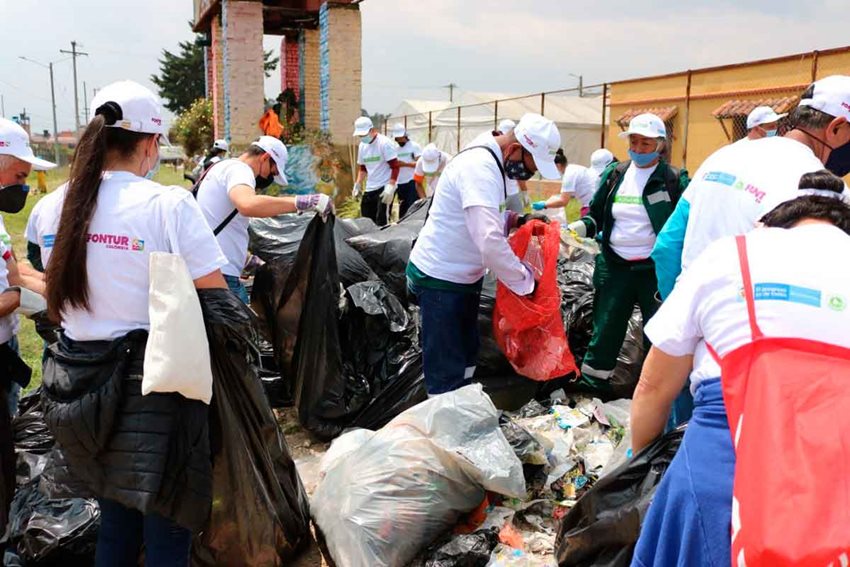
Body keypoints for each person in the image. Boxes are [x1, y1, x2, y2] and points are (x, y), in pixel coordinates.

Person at [40, 80, 226, 566]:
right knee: (167, 530)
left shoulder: (53, 206)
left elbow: (56, 297)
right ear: (149, 143)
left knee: (116, 526)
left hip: (79, 392)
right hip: (155, 394)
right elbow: (216, 298)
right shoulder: (168, 205)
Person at [630, 173, 850, 566]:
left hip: (719, 476)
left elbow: (653, 386)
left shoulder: (731, 254)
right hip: (836, 497)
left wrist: (643, 466)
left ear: (771, 220)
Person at [652, 75, 850, 301]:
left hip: (693, 308)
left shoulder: (722, 156)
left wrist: (676, 305)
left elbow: (667, 245)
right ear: (836, 128)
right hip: (757, 317)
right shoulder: (826, 191)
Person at [407, 113, 561, 395]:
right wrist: (525, 281)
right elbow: (489, 240)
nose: (529, 175)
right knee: (446, 363)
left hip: (465, 276)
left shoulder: (495, 161)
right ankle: (444, 415)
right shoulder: (479, 168)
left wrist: (518, 220)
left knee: (467, 352)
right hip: (441, 278)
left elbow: (488, 215)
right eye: (530, 167)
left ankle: (462, 401)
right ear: (514, 149)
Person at [567, 113, 689, 386]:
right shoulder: (616, 174)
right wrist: (578, 228)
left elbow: (686, 223)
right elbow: (596, 215)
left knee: (658, 332)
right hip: (614, 267)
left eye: (646, 143)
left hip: (654, 271)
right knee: (605, 330)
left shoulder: (673, 179)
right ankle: (593, 389)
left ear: (660, 145)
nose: (638, 149)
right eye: (634, 142)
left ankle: (652, 391)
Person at [195, 135, 332, 303]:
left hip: (209, 268)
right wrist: (300, 202)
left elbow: (218, 219)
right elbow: (248, 204)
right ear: (265, 157)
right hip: (221, 274)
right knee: (242, 319)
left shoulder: (221, 167)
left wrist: (246, 259)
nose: (269, 178)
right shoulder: (240, 170)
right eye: (272, 172)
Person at [0, 118, 56, 417]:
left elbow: (13, 269)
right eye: (20, 176)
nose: (23, 187)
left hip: (6, 346)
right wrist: (17, 299)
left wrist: (59, 291)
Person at [353, 116, 399, 226]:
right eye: (360, 136)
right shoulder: (362, 146)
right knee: (366, 221)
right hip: (370, 187)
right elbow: (363, 168)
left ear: (372, 130)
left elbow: (395, 166)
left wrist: (391, 186)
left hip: (385, 186)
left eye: (364, 135)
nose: (362, 137)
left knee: (382, 220)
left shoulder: (384, 143)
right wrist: (358, 184)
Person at [532, 149, 599, 220]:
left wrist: (544, 204)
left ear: (558, 165)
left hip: (591, 207)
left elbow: (563, 201)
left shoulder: (569, 175)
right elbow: (567, 195)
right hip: (597, 203)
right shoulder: (573, 168)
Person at [391, 124, 422, 217]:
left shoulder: (414, 146)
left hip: (412, 181)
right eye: (396, 139)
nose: (398, 140)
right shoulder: (395, 149)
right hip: (400, 183)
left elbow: (420, 165)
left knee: (412, 208)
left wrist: (405, 164)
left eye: (400, 138)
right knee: (403, 210)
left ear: (405, 135)